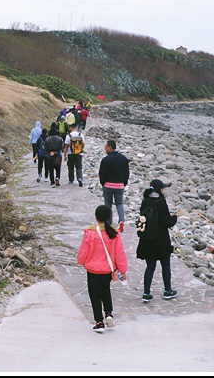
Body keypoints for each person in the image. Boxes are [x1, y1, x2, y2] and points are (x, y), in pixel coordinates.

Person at [76, 204, 128, 333]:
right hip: (107, 270)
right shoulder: (114, 233)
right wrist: (122, 269)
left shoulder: (90, 233)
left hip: (93, 270)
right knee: (106, 291)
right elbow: (119, 253)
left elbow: (84, 251)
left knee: (95, 295)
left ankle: (99, 322)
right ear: (109, 217)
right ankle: (109, 314)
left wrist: (81, 261)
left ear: (96, 217)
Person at [137, 179, 178, 302]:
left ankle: (146, 293)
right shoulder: (161, 203)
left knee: (150, 267)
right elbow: (167, 222)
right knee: (165, 265)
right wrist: (175, 217)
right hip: (161, 240)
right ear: (160, 190)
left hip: (147, 240)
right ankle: (167, 291)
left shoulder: (145, 201)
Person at [98, 139, 129, 233]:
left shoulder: (106, 159)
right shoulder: (123, 158)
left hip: (108, 185)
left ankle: (108, 222)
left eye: (106, 147)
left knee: (108, 204)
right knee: (119, 204)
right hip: (119, 185)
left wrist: (103, 183)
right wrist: (124, 183)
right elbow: (127, 172)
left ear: (110, 147)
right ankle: (121, 220)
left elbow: (102, 173)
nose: (105, 149)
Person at [63, 122, 85, 187]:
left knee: (71, 167)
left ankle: (71, 180)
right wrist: (80, 149)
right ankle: (79, 178)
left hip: (71, 153)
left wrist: (65, 155)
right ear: (76, 127)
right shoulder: (80, 135)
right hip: (79, 153)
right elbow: (83, 144)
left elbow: (66, 146)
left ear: (71, 128)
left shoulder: (69, 135)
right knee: (79, 167)